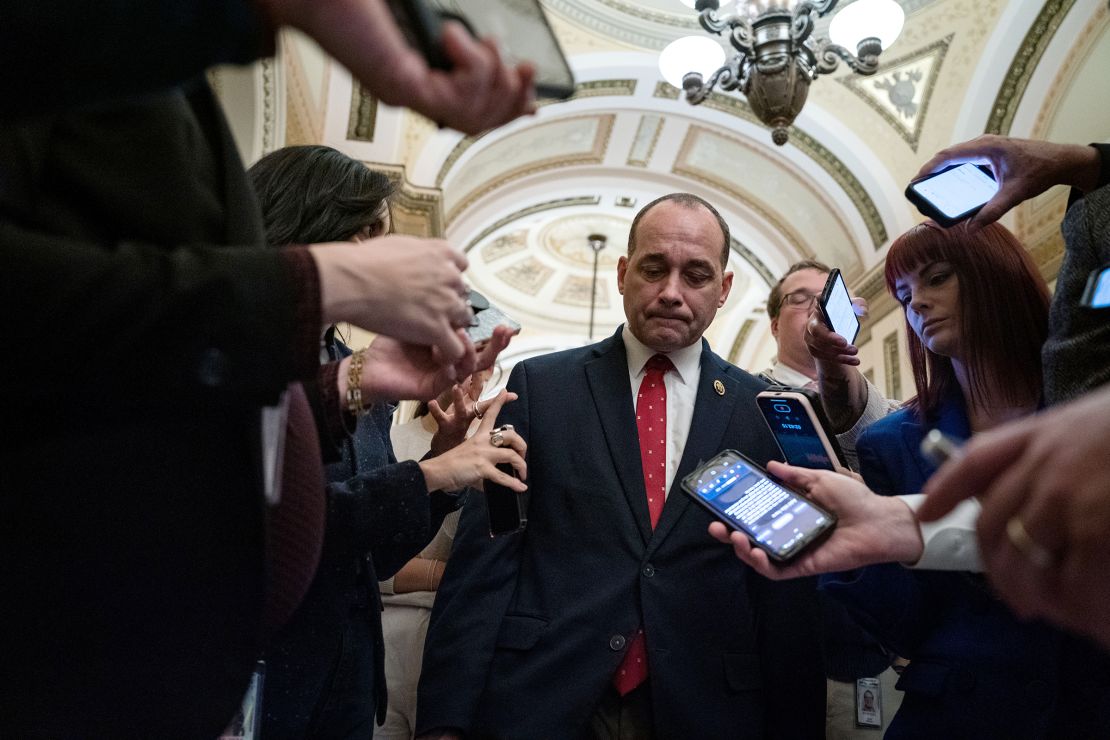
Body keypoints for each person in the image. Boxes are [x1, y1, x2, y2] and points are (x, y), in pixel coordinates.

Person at [1, 3, 535, 735]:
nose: (376, 254)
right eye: (364, 238)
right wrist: (317, 289)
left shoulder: (155, 67)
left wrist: (388, 417)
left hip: (286, 681)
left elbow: (336, 538)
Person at [415, 193, 825, 739]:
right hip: (544, 699)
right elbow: (486, 563)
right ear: (623, 273)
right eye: (654, 269)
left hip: (706, 708)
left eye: (696, 275)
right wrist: (446, 721)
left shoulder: (761, 413)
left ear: (723, 290)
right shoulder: (541, 388)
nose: (672, 292)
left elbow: (784, 600)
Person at [247, 145, 526, 738]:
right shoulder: (241, 345)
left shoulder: (352, 365)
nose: (381, 256)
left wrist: (441, 458)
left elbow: (373, 554)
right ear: (311, 223)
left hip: (345, 683)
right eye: (366, 233)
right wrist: (432, 476)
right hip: (260, 675)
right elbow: (282, 525)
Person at [819, 219, 1110, 736]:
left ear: (993, 273)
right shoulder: (889, 443)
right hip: (958, 716)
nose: (918, 304)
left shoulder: (1086, 411)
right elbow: (906, 627)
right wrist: (862, 542)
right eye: (905, 295)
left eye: (937, 278)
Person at [760, 260, 900, 738]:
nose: (815, 309)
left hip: (864, 648)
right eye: (800, 299)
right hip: (767, 641)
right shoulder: (740, 397)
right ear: (776, 322)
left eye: (826, 298)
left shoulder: (886, 410)